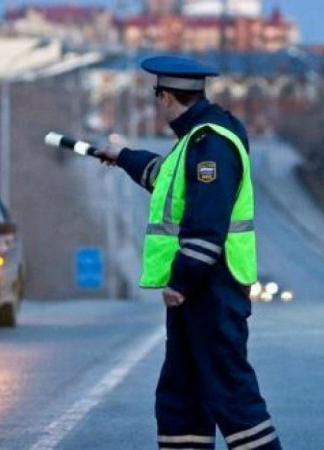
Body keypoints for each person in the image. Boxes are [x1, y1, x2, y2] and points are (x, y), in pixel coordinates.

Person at [95, 56, 282, 450]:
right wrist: (124, 156)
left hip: (211, 287)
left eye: (156, 96)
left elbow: (206, 219)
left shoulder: (209, 142)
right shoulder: (197, 139)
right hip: (202, 290)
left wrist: (181, 281)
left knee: (230, 391)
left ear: (164, 97)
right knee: (182, 393)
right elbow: (166, 179)